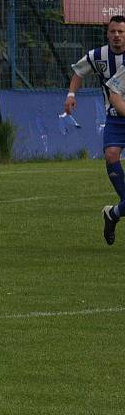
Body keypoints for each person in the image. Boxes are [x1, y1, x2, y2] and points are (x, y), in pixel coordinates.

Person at [63, 15, 125, 245]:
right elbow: (79, 72)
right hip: (115, 117)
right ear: (107, 34)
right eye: (113, 32)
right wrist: (71, 95)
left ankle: (115, 212)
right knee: (111, 154)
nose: (117, 35)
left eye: (120, 31)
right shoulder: (98, 56)